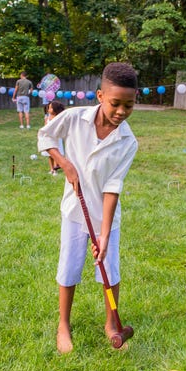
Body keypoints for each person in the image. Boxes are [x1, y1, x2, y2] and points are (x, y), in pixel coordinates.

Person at [37, 62, 138, 354]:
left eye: (128, 106)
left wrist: (104, 234)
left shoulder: (128, 141)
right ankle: (63, 326)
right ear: (99, 96)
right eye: (115, 103)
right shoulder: (73, 118)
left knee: (111, 270)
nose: (121, 111)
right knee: (69, 268)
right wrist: (64, 162)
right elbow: (46, 137)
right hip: (73, 211)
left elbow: (112, 187)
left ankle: (110, 324)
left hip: (106, 217)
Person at [42, 101, 65, 176]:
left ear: (55, 110)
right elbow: (45, 127)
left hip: (56, 139)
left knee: (56, 155)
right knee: (50, 154)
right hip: (49, 138)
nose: (48, 109)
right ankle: (51, 169)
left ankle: (55, 169)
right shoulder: (47, 118)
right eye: (48, 108)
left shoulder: (58, 118)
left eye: (50, 108)